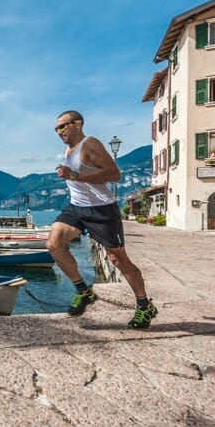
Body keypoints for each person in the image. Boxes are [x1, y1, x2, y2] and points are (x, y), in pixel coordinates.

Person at [49, 110, 157, 329]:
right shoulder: (66, 150)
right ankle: (83, 291)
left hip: (102, 210)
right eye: (56, 128)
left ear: (78, 123)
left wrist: (75, 175)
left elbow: (114, 174)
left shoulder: (91, 144)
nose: (59, 131)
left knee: (118, 260)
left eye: (63, 126)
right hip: (76, 208)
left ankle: (145, 307)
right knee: (54, 244)